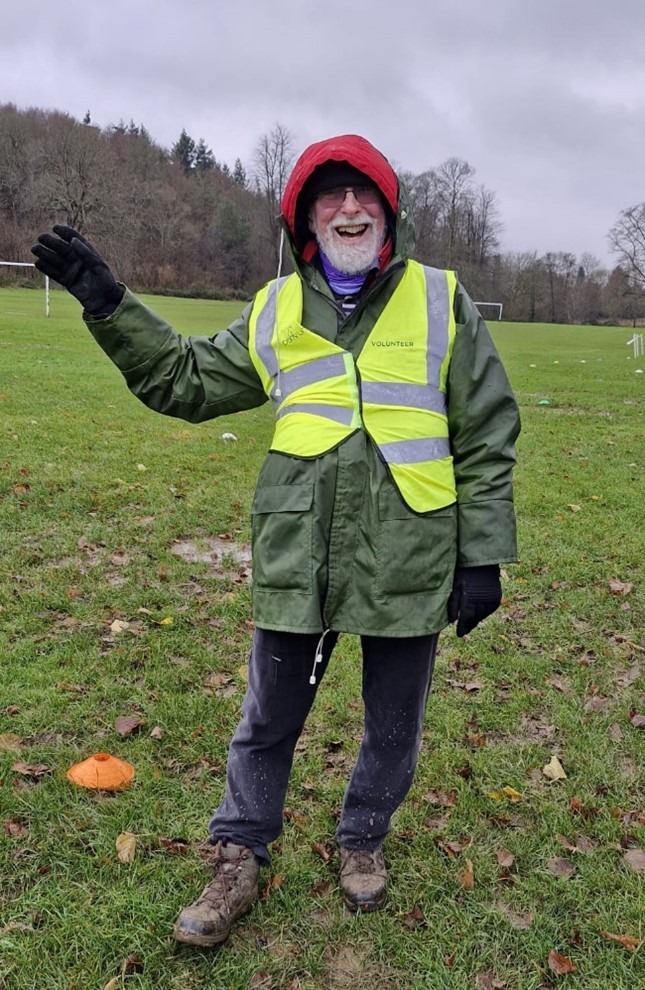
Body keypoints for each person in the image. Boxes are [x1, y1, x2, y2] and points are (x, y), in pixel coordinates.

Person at [32, 133, 520, 947]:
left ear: (387, 212)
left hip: (413, 552)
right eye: (329, 196)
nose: (349, 208)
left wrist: (481, 553)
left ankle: (361, 837)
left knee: (394, 723)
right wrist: (109, 304)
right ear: (304, 218)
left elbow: (486, 429)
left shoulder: (442, 298)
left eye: (363, 195)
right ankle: (238, 852)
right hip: (300, 552)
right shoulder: (274, 308)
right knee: (267, 719)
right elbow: (183, 382)